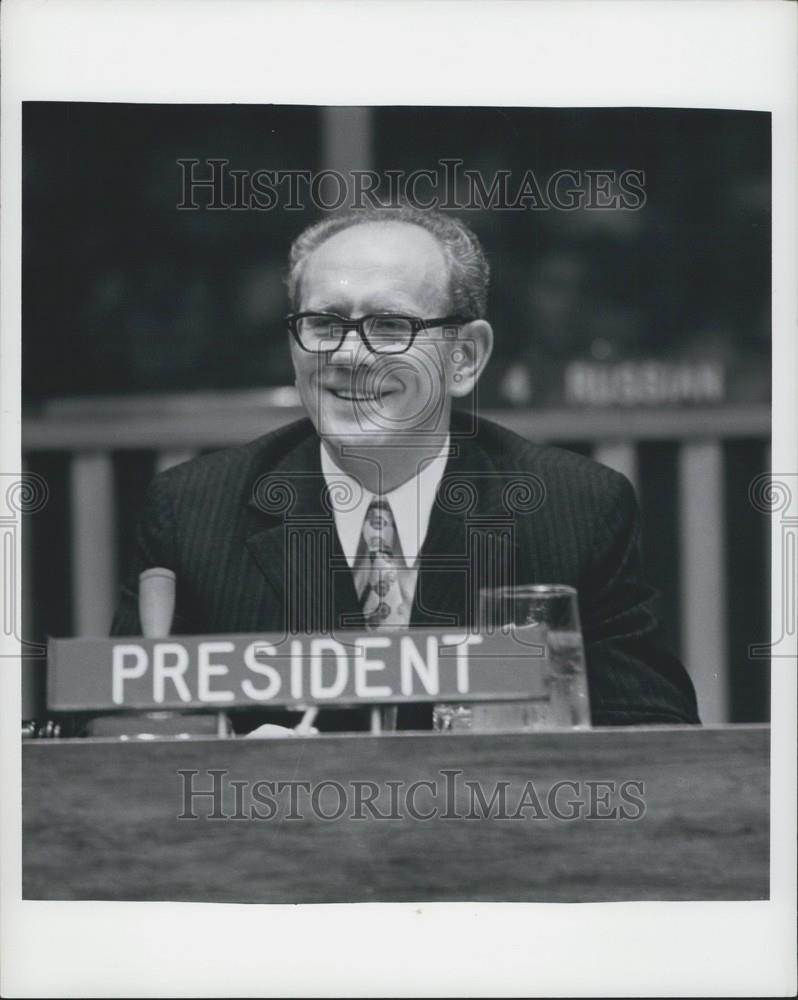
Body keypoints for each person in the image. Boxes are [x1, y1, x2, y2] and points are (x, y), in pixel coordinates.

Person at [111, 204, 700, 731]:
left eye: (390, 327)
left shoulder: (575, 506)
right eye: (323, 324)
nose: (346, 355)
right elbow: (118, 746)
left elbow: (654, 737)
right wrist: (229, 763)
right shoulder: (192, 511)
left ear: (464, 358)